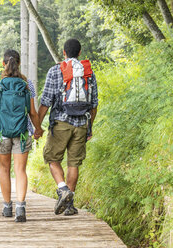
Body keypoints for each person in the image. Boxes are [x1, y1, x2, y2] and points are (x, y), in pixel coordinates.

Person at [0, 49, 44, 222]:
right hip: (22, 132)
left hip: (1, 132)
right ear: (19, 63)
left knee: (4, 169)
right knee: (20, 170)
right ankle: (20, 208)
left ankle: (7, 207)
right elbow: (32, 112)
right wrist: (38, 129)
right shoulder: (27, 84)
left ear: (3, 63)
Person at [36, 39, 98, 216]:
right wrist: (89, 127)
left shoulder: (56, 70)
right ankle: (69, 206)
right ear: (80, 53)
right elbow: (94, 104)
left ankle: (63, 189)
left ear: (64, 53)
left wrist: (37, 127)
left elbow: (46, 101)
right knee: (74, 163)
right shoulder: (88, 72)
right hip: (81, 124)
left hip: (61, 123)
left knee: (52, 157)